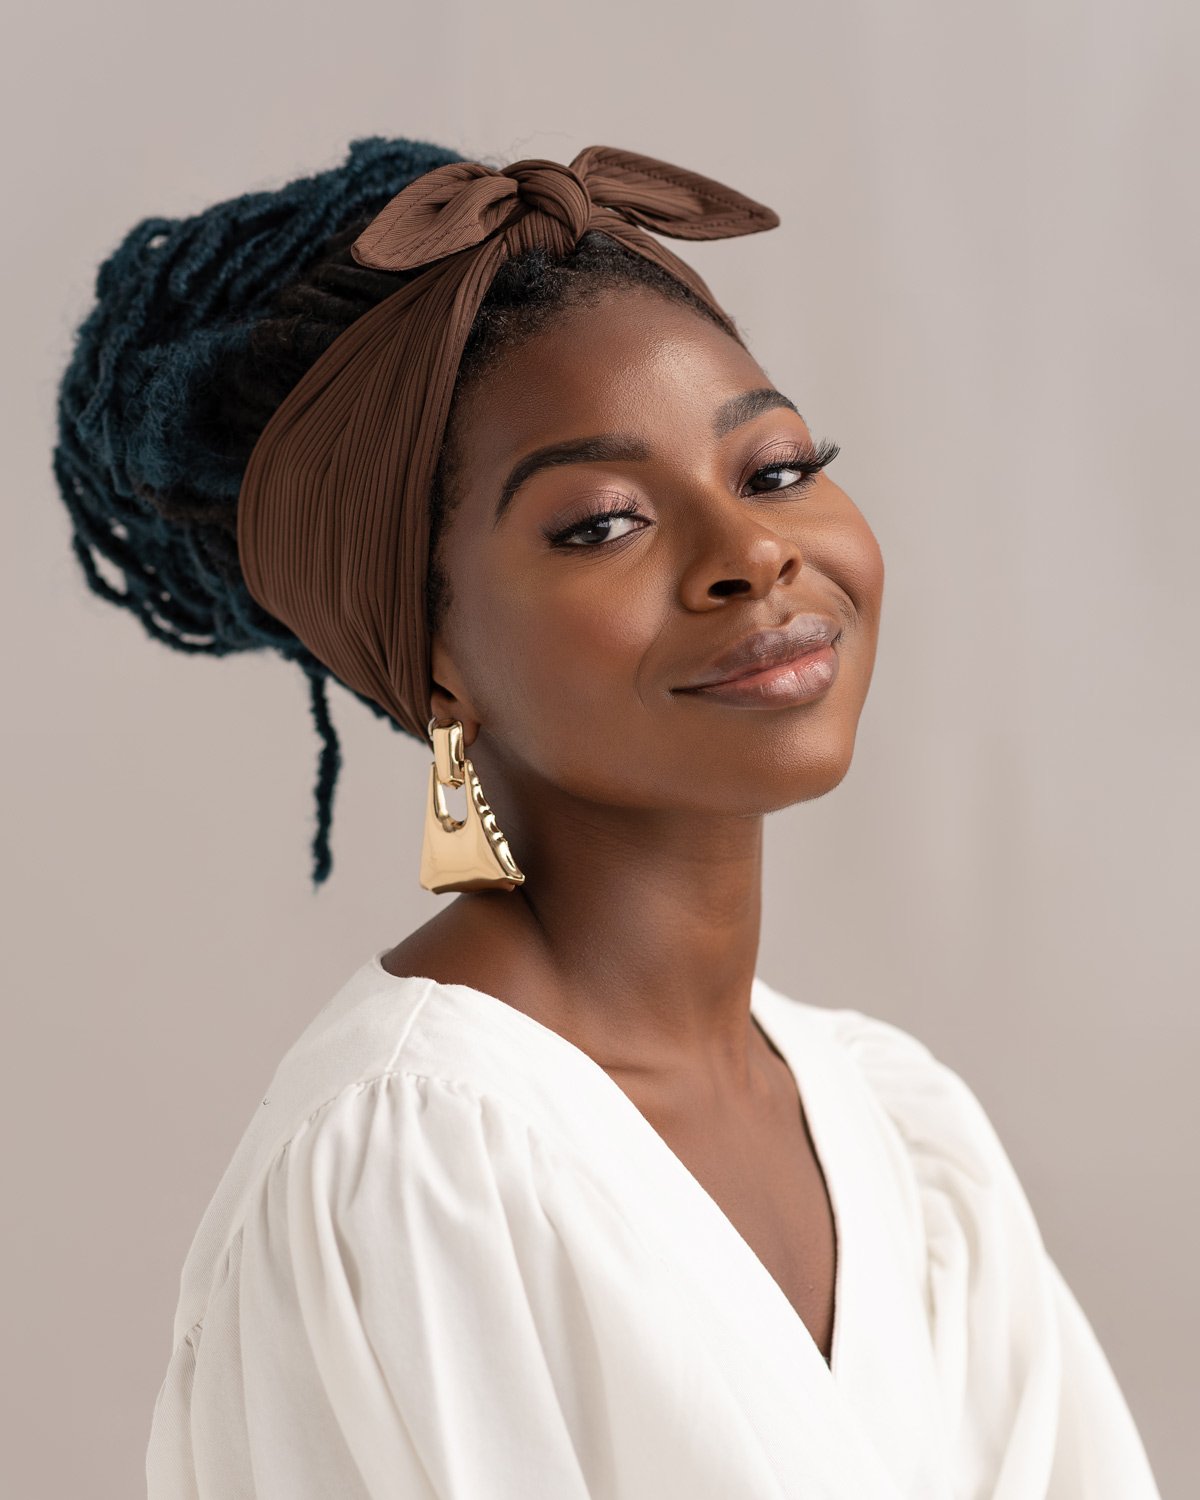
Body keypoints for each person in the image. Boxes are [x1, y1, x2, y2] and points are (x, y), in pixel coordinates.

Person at [54, 137, 1161, 1498]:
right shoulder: (411, 1166)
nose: (756, 552)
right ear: (432, 648)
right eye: (600, 524)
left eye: (772, 469)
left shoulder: (899, 1131)